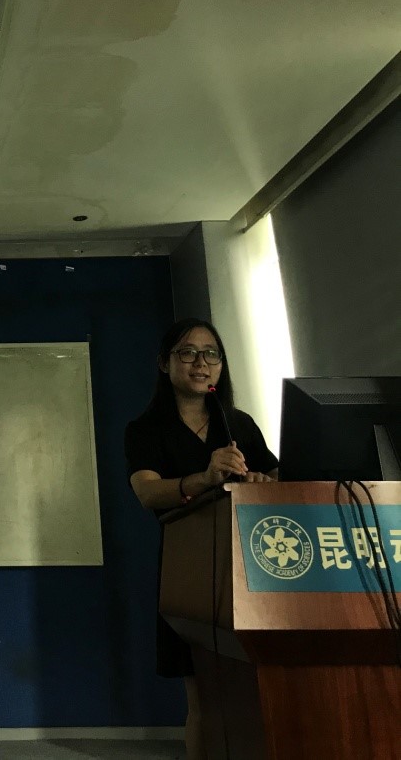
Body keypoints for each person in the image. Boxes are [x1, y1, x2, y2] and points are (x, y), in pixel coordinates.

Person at [124, 318, 278, 760]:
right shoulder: (146, 429)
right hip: (189, 571)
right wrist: (204, 478)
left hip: (249, 567)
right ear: (164, 363)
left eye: (211, 354)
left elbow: (280, 478)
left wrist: (262, 482)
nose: (201, 363)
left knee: (255, 697)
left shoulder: (237, 423)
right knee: (206, 701)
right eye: (188, 353)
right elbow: (148, 492)